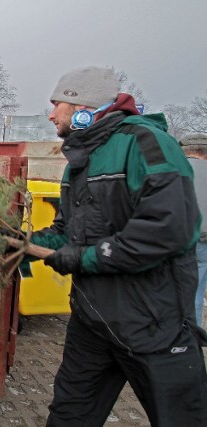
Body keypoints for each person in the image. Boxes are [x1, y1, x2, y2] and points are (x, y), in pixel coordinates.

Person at [27, 66, 207, 426]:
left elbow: (167, 230)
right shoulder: (80, 162)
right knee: (68, 416)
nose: (50, 114)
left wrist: (82, 258)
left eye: (56, 104)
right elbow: (68, 232)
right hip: (93, 323)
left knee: (182, 418)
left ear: (84, 108)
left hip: (152, 326)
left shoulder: (147, 143)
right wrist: (24, 243)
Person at [182, 134, 207, 327]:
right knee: (196, 291)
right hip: (204, 242)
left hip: (178, 240)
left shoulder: (175, 169)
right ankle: (192, 335)